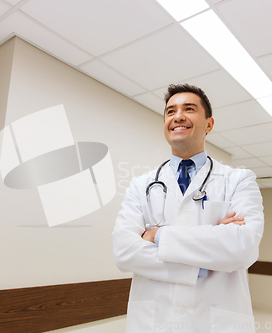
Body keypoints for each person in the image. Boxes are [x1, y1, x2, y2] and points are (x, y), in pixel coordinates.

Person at [112, 83, 264, 333]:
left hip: (215, 322)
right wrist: (206, 257)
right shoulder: (141, 185)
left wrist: (156, 235)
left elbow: (243, 248)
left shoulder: (239, 180)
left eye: (189, 109)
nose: (178, 116)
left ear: (209, 124)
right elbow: (124, 250)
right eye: (170, 111)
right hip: (154, 322)